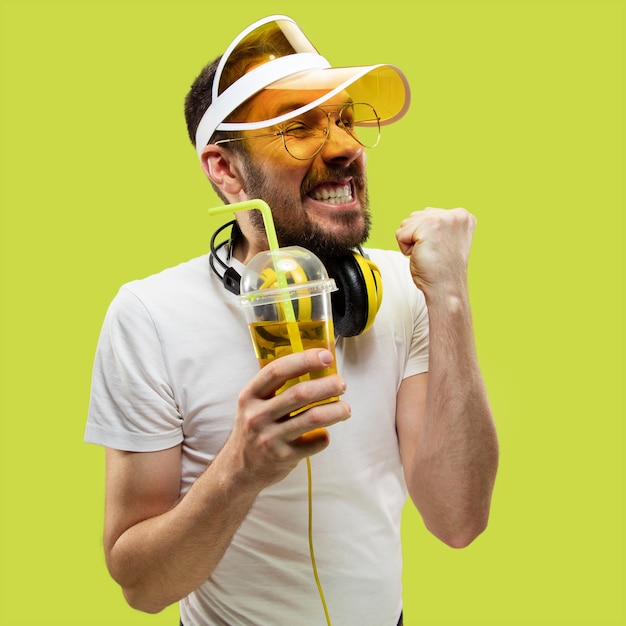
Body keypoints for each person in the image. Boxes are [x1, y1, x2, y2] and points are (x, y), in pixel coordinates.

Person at [85, 14, 499, 626]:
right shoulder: (148, 317)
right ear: (225, 170)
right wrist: (239, 470)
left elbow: (458, 520)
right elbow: (142, 588)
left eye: (345, 121)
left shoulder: (408, 291)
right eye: (299, 129)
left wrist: (452, 300)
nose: (345, 149)